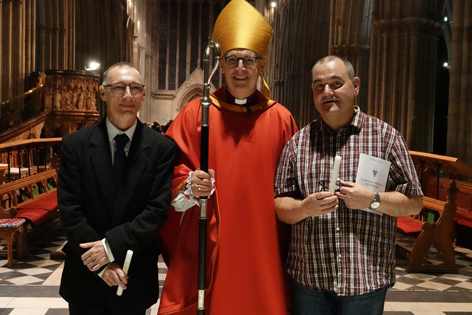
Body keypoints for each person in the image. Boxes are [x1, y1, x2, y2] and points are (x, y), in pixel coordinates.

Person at [157, 0, 298, 314]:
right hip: (208, 240)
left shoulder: (281, 119)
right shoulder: (196, 113)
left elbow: (294, 185)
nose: (240, 69)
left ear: (262, 65)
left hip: (264, 246)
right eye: (232, 60)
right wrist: (189, 185)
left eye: (249, 60)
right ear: (220, 65)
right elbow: (167, 172)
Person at [273, 55, 424, 315]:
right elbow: (280, 205)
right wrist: (305, 207)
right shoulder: (298, 144)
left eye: (335, 83)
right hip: (310, 280)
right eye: (319, 86)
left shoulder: (385, 138)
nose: (327, 92)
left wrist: (372, 200)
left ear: (355, 85)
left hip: (364, 279)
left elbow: (414, 201)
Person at [58, 62, 176, 315]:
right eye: (119, 87)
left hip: (134, 272)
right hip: (85, 274)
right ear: (102, 93)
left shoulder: (161, 148)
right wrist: (101, 264)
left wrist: (110, 247)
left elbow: (156, 210)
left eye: (135, 88)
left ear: (143, 94)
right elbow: (70, 209)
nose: (127, 95)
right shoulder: (75, 145)